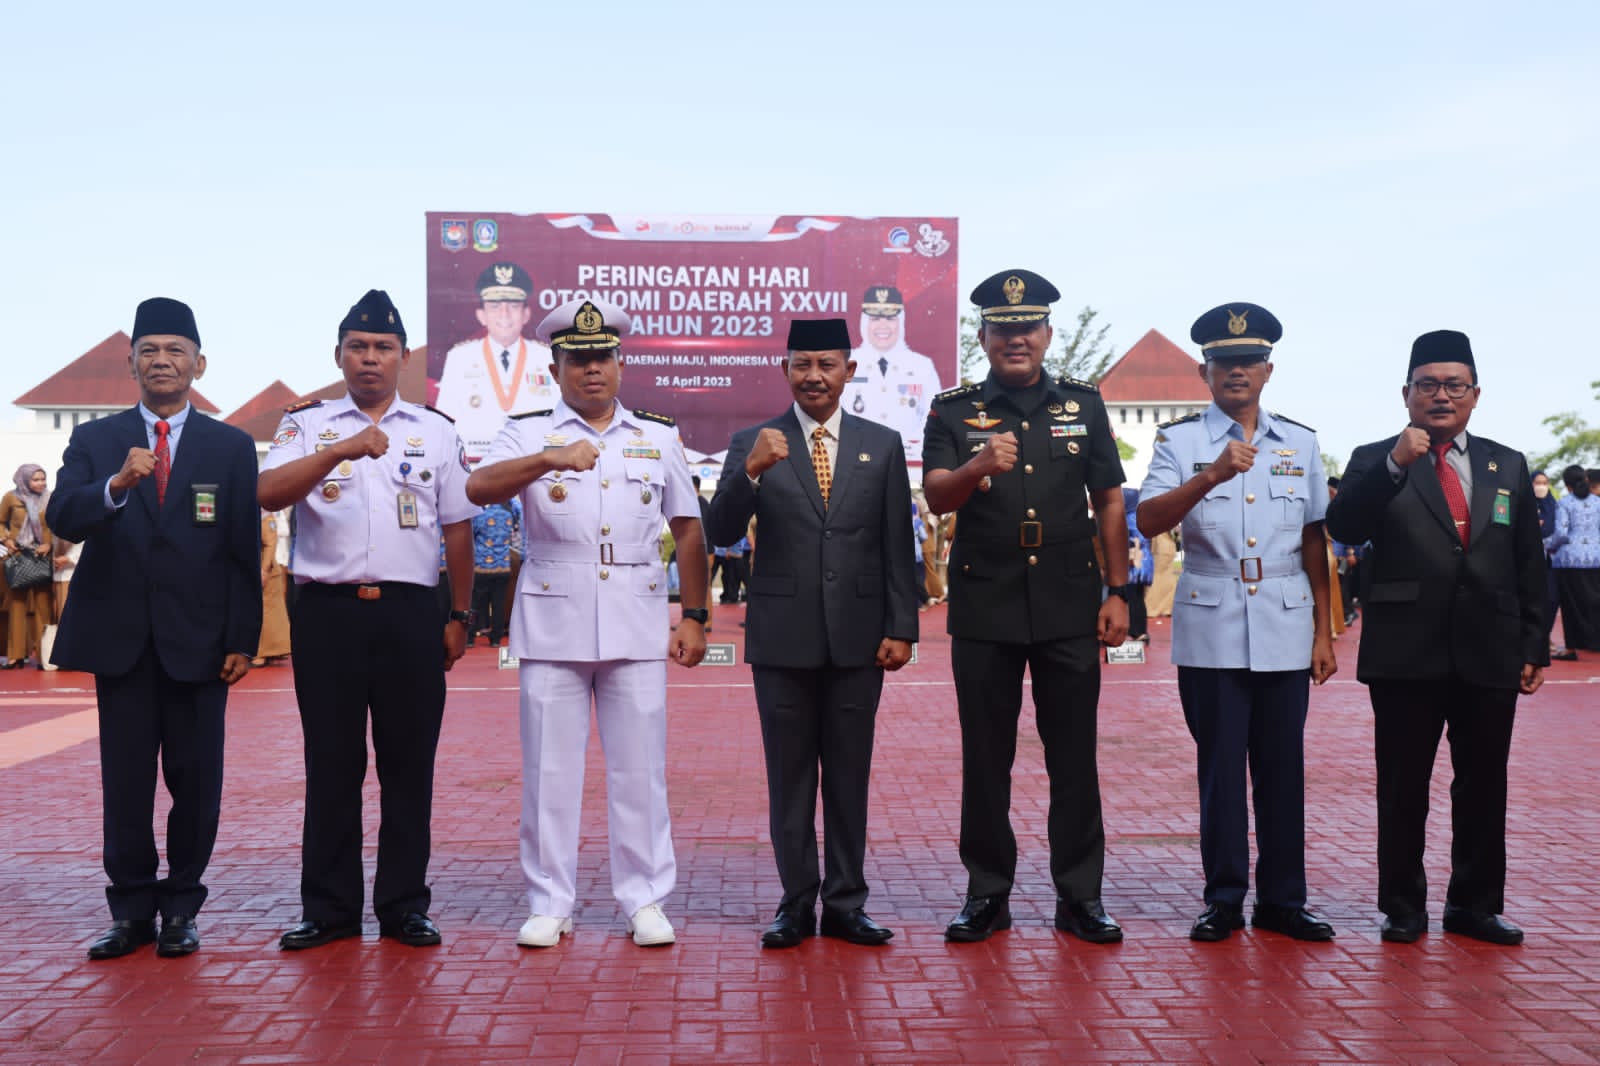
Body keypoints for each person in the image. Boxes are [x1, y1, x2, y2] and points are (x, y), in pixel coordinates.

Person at [466, 296, 708, 949]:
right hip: (554, 622)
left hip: (636, 618)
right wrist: (548, 459)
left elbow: (688, 528)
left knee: (640, 771)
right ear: (556, 368)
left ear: (621, 364)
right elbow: (480, 488)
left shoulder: (656, 435)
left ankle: (645, 898)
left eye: (602, 357)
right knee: (549, 771)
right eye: (578, 360)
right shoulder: (527, 430)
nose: (591, 369)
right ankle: (550, 901)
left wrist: (695, 615)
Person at [260, 289, 479, 951]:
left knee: (408, 766)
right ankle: (329, 909)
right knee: (331, 764)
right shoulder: (306, 425)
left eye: (384, 347)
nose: (370, 358)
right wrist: (341, 450)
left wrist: (459, 613)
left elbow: (458, 527)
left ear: (404, 357)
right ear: (338, 356)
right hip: (327, 615)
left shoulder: (435, 430)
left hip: (411, 614)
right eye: (358, 347)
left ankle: (404, 905)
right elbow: (268, 493)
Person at [48, 297, 261, 959]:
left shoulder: (231, 446)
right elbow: (63, 516)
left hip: (201, 644)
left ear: (199, 363)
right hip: (122, 644)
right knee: (126, 785)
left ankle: (182, 909)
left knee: (196, 785)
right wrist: (114, 486)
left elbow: (241, 548)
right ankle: (131, 911)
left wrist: (242, 637)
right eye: (149, 351)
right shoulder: (97, 440)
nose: (161, 361)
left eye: (174, 350)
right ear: (131, 363)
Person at [922, 269, 1130, 944]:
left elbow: (1109, 499)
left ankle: (1081, 896)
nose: (1016, 339)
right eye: (1003, 328)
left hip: (1069, 601)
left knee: (1074, 758)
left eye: (1028, 328)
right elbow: (937, 496)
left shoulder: (1083, 404)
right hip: (986, 603)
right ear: (983, 336)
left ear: (1047, 334)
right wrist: (977, 467)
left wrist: (1119, 590)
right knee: (986, 758)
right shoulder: (952, 411)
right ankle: (987, 893)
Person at [1326, 329, 1547, 946]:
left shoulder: (1507, 463)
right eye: (1428, 385)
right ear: (1406, 394)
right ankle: (1403, 906)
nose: (1441, 396)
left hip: (1490, 648)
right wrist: (1396, 464)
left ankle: (1475, 906)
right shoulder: (1376, 457)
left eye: (1454, 385)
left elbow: (1529, 560)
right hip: (1406, 651)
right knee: (1403, 787)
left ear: (1475, 394)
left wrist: (1534, 643)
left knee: (1484, 784)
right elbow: (1345, 526)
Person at [707, 317, 918, 949]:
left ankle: (847, 903)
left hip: (859, 639)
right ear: (785, 370)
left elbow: (896, 544)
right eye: (802, 364)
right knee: (790, 778)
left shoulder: (882, 445)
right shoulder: (753, 442)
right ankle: (796, 903)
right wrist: (750, 472)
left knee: (849, 777)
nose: (814, 376)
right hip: (782, 640)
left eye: (827, 364)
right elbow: (720, 530)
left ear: (849, 371)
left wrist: (902, 626)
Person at [1136, 302, 1338, 942]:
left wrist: (1324, 632)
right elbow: (1148, 519)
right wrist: (1212, 475)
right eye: (1224, 362)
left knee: (1283, 771)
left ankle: (1283, 900)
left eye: (1249, 360)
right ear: (1205, 371)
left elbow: (1314, 539)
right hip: (1212, 622)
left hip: (1285, 620)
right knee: (1221, 772)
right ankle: (1223, 899)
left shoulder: (1300, 442)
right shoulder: (1179, 442)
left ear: (1268, 369)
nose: (1237, 371)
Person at [435, 262, 557, 465]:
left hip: (534, 469)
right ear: (481, 315)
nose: (504, 314)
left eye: (513, 306)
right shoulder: (459, 358)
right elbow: (444, 426)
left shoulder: (546, 357)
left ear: (526, 314)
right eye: (495, 306)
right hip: (475, 470)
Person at [841, 285, 943, 458]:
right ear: (864, 322)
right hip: (853, 460)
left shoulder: (922, 366)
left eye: (890, 319)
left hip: (909, 461)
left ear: (900, 322)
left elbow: (934, 416)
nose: (883, 326)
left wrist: (912, 446)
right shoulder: (846, 363)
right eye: (875, 319)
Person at [2, 465, 55, 668]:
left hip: (42, 557)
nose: (41, 483)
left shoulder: (50, 499)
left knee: (43, 608)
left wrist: (49, 544)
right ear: (24, 480)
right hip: (18, 556)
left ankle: (44, 656)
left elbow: (56, 525)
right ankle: (15, 656)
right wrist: (6, 539)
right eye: (36, 479)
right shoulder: (11, 498)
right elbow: (0, 522)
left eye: (43, 478)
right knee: (16, 606)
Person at [1547, 464, 1600, 654]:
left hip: (1569, 560)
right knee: (1595, 603)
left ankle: (1571, 649)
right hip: (1596, 558)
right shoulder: (1598, 502)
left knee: (1571, 606)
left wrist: (1548, 546)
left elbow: (1561, 533)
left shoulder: (1564, 503)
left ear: (1567, 485)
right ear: (1586, 480)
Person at [469, 498, 520, 648]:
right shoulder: (508, 515)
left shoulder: (480, 515)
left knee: (474, 604)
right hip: (503, 565)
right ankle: (496, 639)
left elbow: (472, 534)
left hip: (482, 566)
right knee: (499, 604)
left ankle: (469, 637)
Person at [254, 508, 292, 665]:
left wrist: (263, 571)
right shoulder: (261, 516)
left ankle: (262, 654)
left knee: (266, 613)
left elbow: (270, 545)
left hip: (266, 570)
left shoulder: (266, 517)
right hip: (263, 569)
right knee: (273, 612)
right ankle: (275, 650)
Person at [1532, 470, 1564, 657]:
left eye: (1544, 483)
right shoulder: (1525, 504)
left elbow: (1560, 529)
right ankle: (1533, 637)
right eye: (1537, 483)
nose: (1541, 487)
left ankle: (1544, 635)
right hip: (1530, 559)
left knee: (1552, 598)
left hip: (1552, 559)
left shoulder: (1555, 506)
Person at [1123, 486, 1152, 642]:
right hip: (1143, 562)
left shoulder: (1130, 518)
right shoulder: (1138, 515)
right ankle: (1140, 631)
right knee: (1138, 597)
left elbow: (1133, 540)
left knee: (1133, 597)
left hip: (1135, 562)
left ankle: (1137, 632)